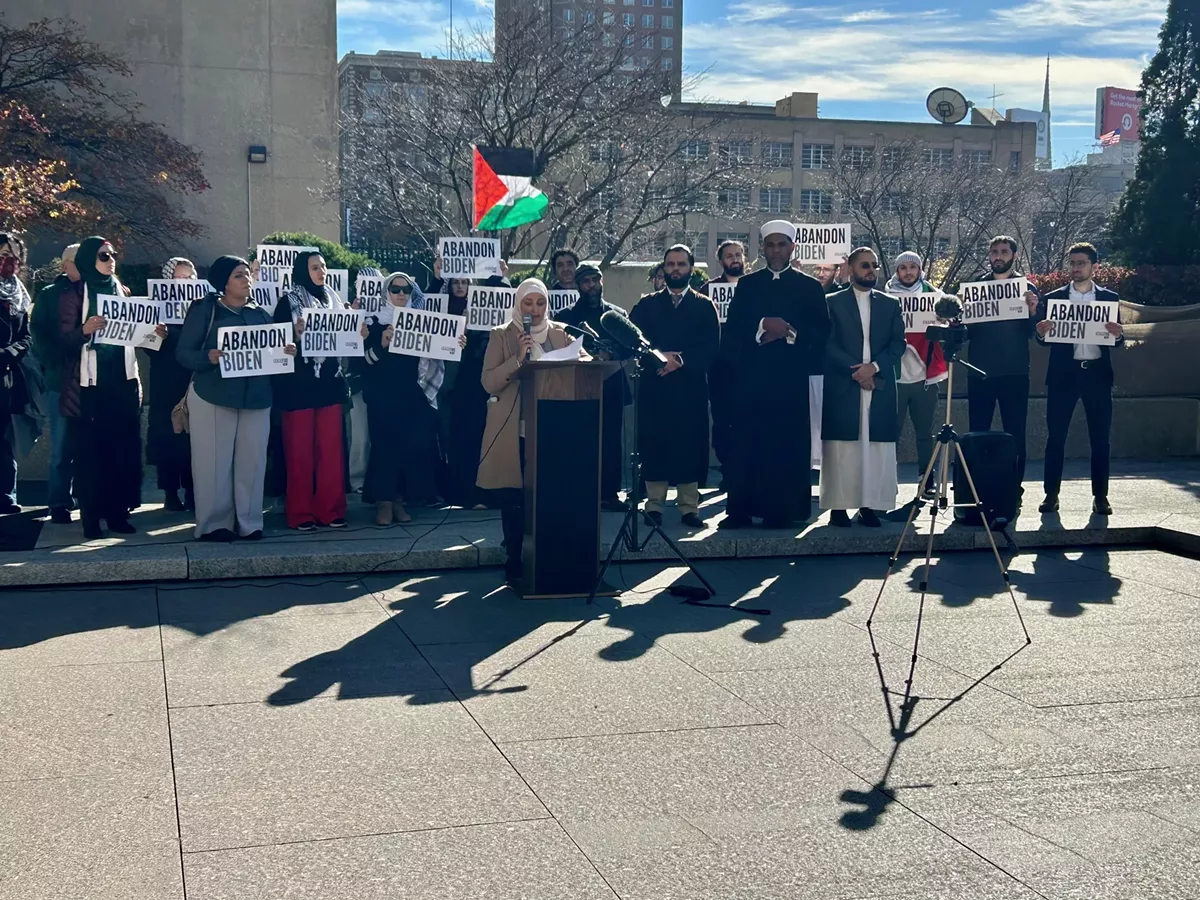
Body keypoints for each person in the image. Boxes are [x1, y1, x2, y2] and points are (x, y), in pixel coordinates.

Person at [719, 222, 830, 530]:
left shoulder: (809, 287)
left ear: (792, 248)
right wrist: (762, 325)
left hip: (790, 381)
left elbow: (822, 331)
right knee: (747, 442)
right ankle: (741, 510)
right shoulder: (748, 284)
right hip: (752, 380)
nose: (776, 250)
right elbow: (735, 328)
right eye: (770, 245)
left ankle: (781, 511)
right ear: (763, 249)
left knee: (786, 444)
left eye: (782, 244)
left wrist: (790, 332)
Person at [177, 256, 293, 541]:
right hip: (213, 396)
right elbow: (183, 354)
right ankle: (214, 524)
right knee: (213, 463)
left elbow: (274, 353)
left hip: (256, 399)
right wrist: (208, 357)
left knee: (252, 464)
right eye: (239, 275)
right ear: (224, 283)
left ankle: (250, 522)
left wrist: (287, 351)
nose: (247, 280)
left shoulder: (260, 314)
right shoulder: (206, 311)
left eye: (247, 275)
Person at [476, 278, 572, 587]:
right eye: (528, 303)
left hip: (552, 427)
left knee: (548, 494)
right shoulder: (501, 335)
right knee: (515, 496)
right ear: (519, 305)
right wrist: (518, 357)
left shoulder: (561, 334)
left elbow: (578, 369)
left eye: (540, 303)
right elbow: (489, 382)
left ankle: (547, 552)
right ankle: (514, 556)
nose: (534, 309)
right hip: (514, 429)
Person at [629, 245, 720, 529]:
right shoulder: (647, 305)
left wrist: (680, 360)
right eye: (670, 264)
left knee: (689, 445)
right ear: (663, 268)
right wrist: (659, 358)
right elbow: (634, 340)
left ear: (691, 268)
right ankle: (654, 505)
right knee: (654, 444)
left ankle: (688, 508)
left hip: (689, 389)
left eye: (681, 264)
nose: (676, 269)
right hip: (656, 387)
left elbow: (711, 347)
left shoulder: (705, 306)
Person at [1034, 243, 1124, 516]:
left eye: (1081, 263)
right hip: (1064, 375)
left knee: (1100, 439)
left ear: (1094, 266)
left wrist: (1119, 334)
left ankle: (1101, 497)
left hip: (1097, 374)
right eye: (1072, 263)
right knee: (1055, 438)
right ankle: (1051, 495)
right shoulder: (1054, 298)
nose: (1075, 268)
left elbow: (1117, 341)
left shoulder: (1109, 298)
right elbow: (1043, 340)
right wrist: (1040, 332)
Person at [820, 247, 907, 528]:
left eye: (874, 265)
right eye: (864, 265)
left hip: (879, 383)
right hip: (843, 383)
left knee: (875, 447)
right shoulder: (831, 302)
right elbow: (827, 343)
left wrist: (874, 368)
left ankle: (870, 506)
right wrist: (858, 371)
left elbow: (898, 344)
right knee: (842, 448)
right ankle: (838, 508)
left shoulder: (890, 304)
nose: (870, 270)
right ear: (851, 269)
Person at [67, 237, 146, 538]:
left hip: (123, 383)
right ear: (89, 259)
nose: (110, 260)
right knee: (91, 455)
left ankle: (118, 514)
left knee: (122, 452)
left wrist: (153, 333)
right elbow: (56, 341)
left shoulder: (122, 291)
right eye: (103, 255)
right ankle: (91, 518)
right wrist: (82, 332)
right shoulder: (74, 294)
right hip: (89, 387)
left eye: (113, 255)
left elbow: (136, 337)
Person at [360, 272, 447, 525]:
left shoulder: (421, 321)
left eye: (406, 290)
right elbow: (364, 362)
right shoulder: (373, 322)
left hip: (411, 395)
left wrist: (454, 343)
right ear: (386, 292)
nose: (400, 294)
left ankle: (399, 500)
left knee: (407, 449)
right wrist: (381, 345)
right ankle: (384, 502)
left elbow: (437, 352)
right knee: (384, 448)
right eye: (395, 289)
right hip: (381, 397)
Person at [273, 250, 351, 531]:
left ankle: (331, 510)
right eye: (315, 267)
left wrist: (358, 332)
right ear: (302, 271)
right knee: (300, 453)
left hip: (329, 384)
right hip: (298, 386)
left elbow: (346, 340)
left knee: (330, 451)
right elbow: (277, 342)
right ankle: (301, 512)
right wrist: (294, 333)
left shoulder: (335, 300)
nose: (322, 272)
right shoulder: (288, 302)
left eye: (324, 266)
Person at [554, 263, 630, 511]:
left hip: (611, 386)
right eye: (585, 281)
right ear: (577, 286)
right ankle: (580, 492)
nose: (591, 285)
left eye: (595, 280)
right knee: (580, 440)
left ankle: (609, 493)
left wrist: (611, 354)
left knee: (610, 441)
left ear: (602, 282)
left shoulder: (616, 315)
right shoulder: (565, 317)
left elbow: (630, 348)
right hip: (578, 386)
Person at [965, 236, 1041, 485]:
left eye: (1004, 252)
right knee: (978, 431)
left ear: (1014, 255)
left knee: (1016, 431)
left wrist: (1032, 312)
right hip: (979, 371)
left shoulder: (1027, 288)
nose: (998, 256)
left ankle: (1014, 486)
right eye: (994, 252)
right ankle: (977, 486)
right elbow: (967, 331)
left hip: (1015, 372)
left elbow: (1036, 332)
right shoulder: (975, 286)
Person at [884, 251, 946, 492]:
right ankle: (887, 479)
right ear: (897, 271)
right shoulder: (885, 296)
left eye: (913, 267)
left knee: (925, 432)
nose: (908, 272)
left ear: (920, 270)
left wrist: (946, 317)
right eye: (903, 268)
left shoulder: (936, 297)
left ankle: (927, 479)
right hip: (895, 376)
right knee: (891, 433)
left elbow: (952, 322)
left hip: (925, 375)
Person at [30, 242, 81, 523]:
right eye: (78, 260)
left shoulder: (102, 291)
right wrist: (56, 360)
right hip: (61, 381)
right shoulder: (50, 296)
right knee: (62, 446)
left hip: (95, 383)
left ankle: (91, 498)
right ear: (65, 266)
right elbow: (39, 336)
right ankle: (59, 502)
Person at [146, 257, 197, 512]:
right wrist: (155, 336)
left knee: (192, 439)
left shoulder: (201, 309)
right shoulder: (155, 308)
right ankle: (170, 492)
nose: (184, 283)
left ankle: (192, 491)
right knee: (167, 436)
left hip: (192, 381)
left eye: (189, 278)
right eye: (179, 277)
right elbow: (146, 349)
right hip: (165, 383)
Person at [443, 276, 491, 509]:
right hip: (452, 386)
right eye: (455, 282)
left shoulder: (484, 312)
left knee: (477, 438)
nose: (460, 286)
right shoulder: (442, 309)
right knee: (456, 439)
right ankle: (458, 492)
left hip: (478, 387)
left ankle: (476, 491)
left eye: (465, 282)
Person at [704, 239, 746, 489]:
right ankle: (728, 469)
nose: (735, 259)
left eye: (738, 254)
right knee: (722, 421)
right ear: (721, 261)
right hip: (720, 368)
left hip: (749, 366)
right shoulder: (709, 289)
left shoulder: (754, 286)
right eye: (729, 255)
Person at [0, 233, 32, 515]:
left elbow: (26, 336)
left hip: (5, 378)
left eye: (12, 258)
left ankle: (6, 495)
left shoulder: (18, 293)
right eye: (2, 257)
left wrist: (9, 353)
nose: (8, 263)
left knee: (5, 440)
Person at [347, 265, 383, 493]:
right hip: (359, 382)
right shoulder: (350, 312)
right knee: (359, 436)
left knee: (377, 434)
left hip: (381, 383)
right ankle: (356, 479)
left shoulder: (387, 314)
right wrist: (352, 319)